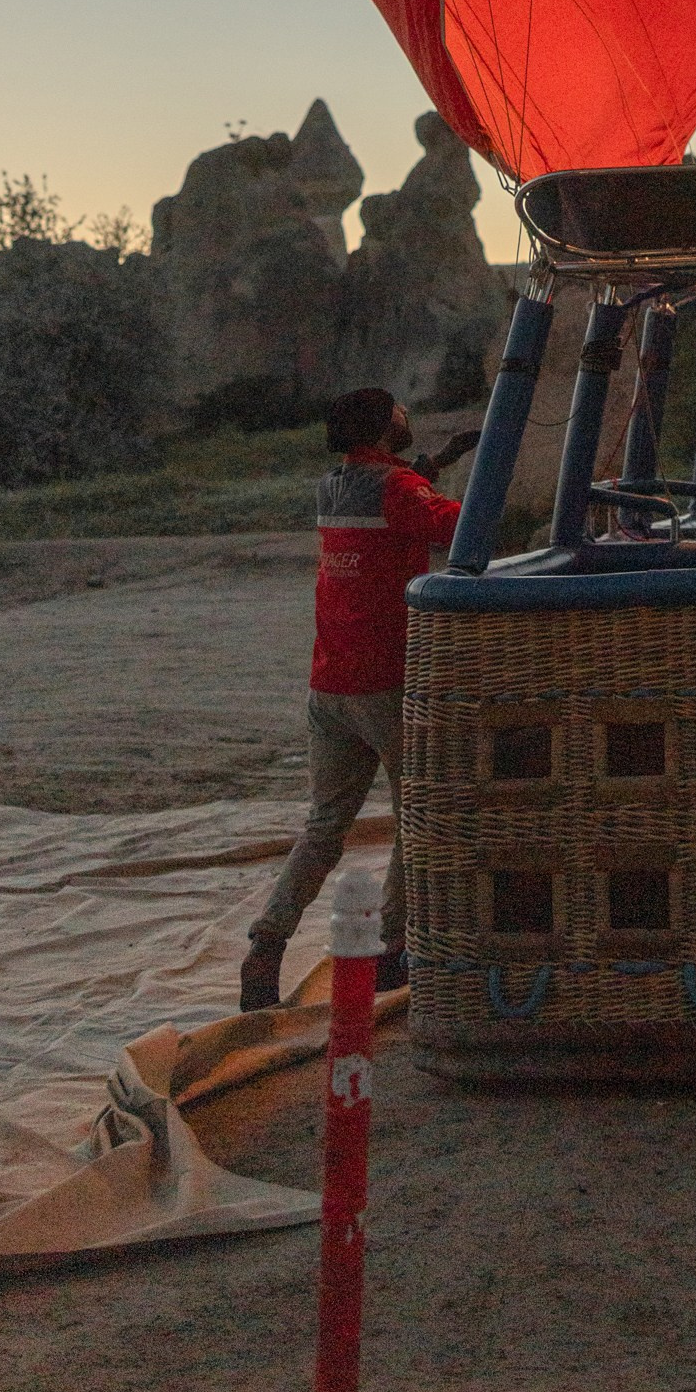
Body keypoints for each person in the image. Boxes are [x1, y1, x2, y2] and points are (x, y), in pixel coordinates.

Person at [240, 387, 472, 1013]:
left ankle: (266, 943)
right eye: (400, 411)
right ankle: (393, 951)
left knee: (323, 826)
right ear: (380, 426)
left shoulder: (331, 488)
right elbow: (463, 529)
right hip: (388, 684)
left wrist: (430, 467)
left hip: (329, 685)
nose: (408, 418)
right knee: (414, 820)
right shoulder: (398, 491)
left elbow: (383, 503)